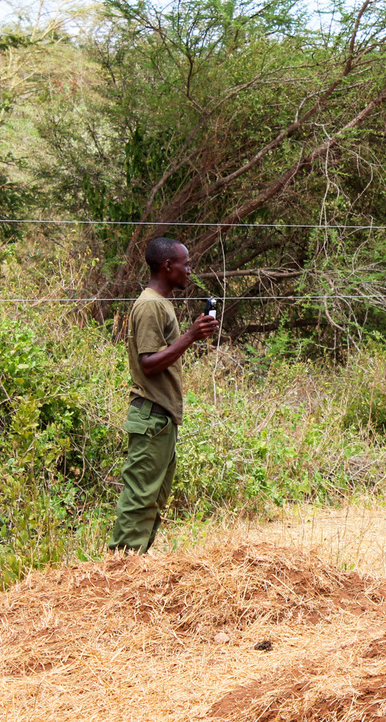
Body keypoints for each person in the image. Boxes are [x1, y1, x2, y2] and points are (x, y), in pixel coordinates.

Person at [109, 237, 219, 553]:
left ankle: (134, 566)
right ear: (167, 266)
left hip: (161, 419)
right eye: (185, 264)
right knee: (140, 497)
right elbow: (148, 364)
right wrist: (190, 335)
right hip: (151, 418)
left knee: (153, 498)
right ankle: (120, 569)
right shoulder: (149, 305)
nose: (189, 270)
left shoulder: (161, 304)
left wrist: (191, 336)